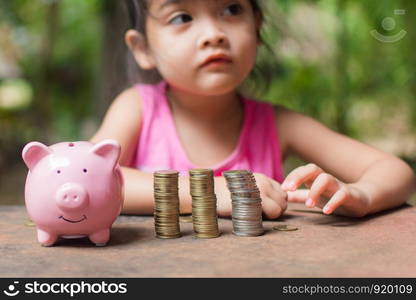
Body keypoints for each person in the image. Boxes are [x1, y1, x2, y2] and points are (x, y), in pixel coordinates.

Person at [90, 0, 415, 219]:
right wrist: (208, 193)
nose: (213, 35)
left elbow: (395, 171)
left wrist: (361, 195)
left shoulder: (278, 123)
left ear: (257, 27)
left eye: (231, 9)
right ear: (142, 49)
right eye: (181, 17)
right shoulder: (138, 109)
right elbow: (88, 179)